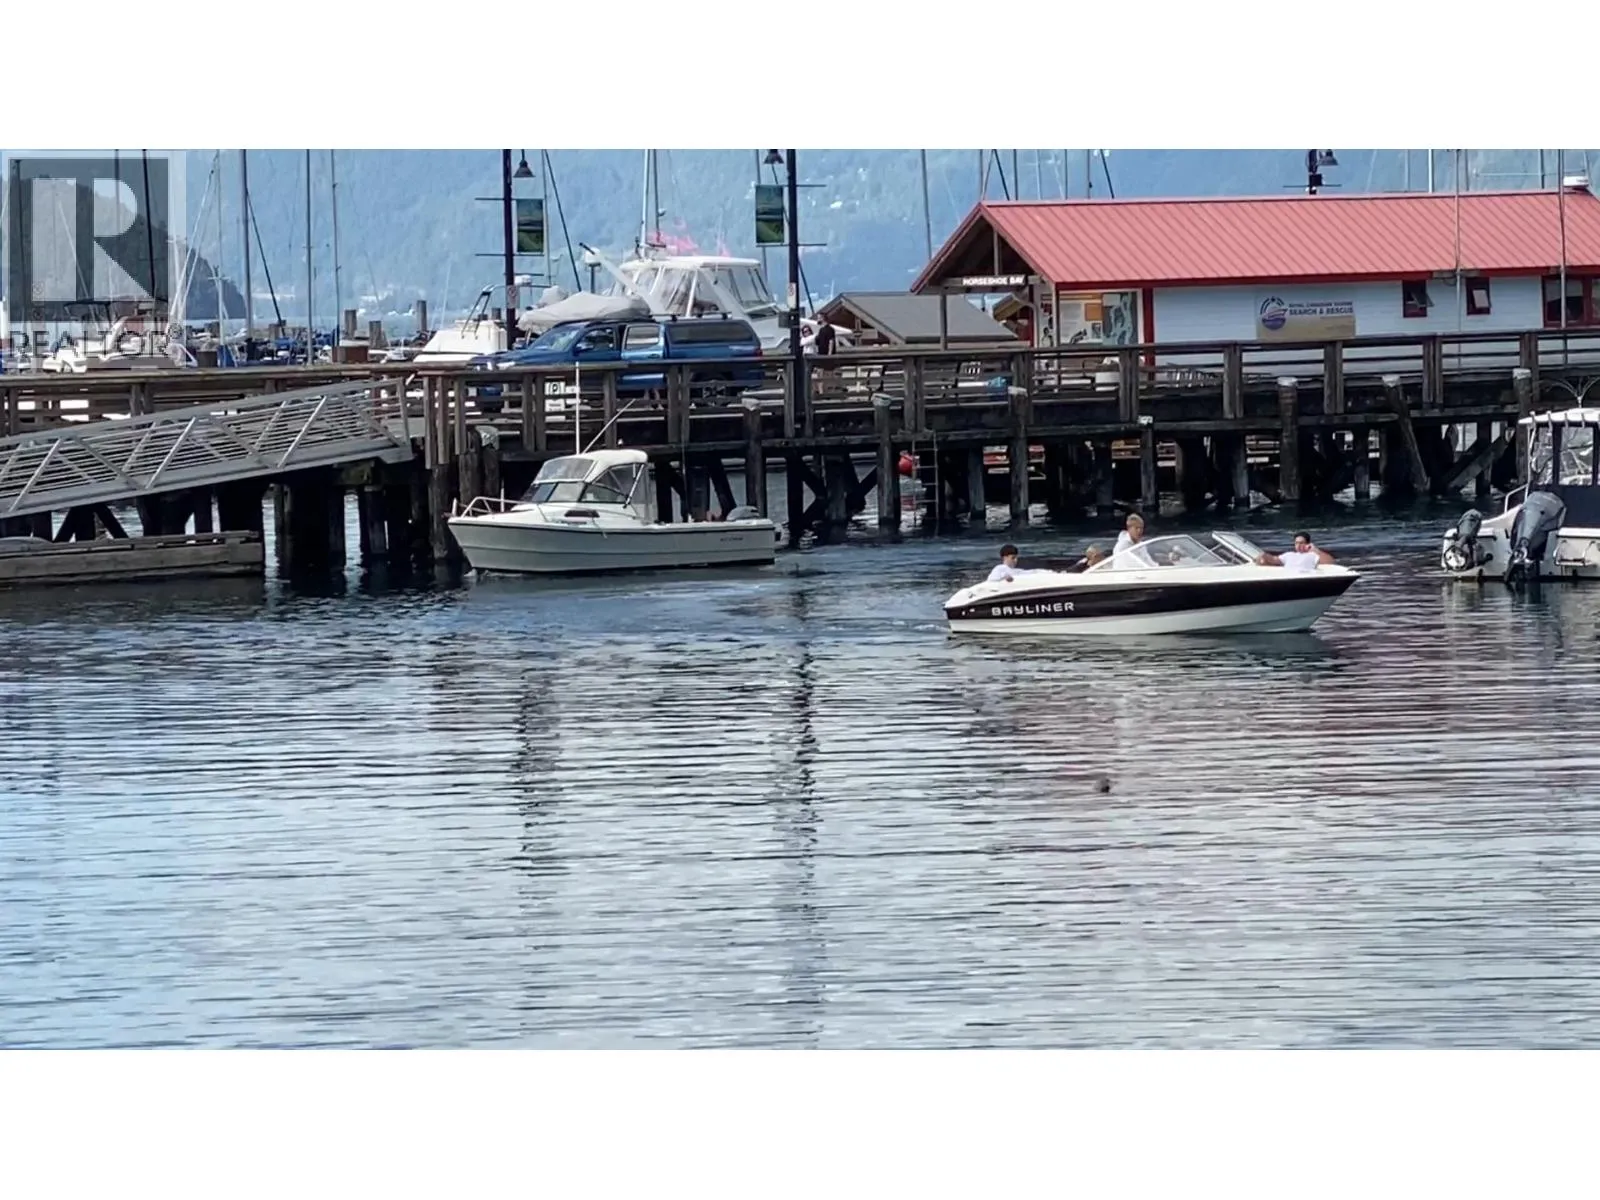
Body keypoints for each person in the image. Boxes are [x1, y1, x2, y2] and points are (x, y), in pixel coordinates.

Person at [1257, 532, 1334, 571]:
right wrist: (1264, 556)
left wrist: (1315, 550)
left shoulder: (1313, 555)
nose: (1298, 545)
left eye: (1301, 543)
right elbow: (1273, 560)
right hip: (1287, 578)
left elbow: (1330, 561)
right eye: (1296, 543)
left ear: (1307, 544)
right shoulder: (1289, 555)